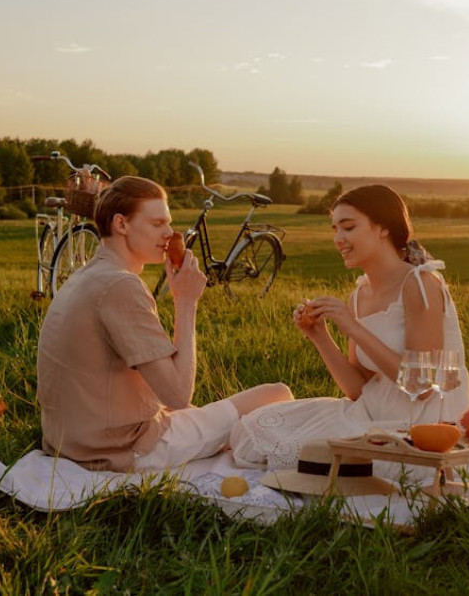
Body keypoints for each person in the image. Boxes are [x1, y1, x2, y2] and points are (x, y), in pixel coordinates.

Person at [230, 185, 469, 483]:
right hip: (370, 412)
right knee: (254, 427)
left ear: (382, 227)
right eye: (335, 229)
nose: (338, 239)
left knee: (303, 453)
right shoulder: (360, 295)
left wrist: (352, 326)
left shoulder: (421, 284)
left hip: (424, 426)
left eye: (348, 227)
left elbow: (421, 386)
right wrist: (319, 335)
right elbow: (358, 390)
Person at [37, 176, 293, 473]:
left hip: (70, 441)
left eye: (168, 223)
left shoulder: (88, 276)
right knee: (277, 393)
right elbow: (178, 396)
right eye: (157, 224)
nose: (170, 233)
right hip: (124, 449)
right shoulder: (121, 286)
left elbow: (153, 390)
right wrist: (186, 302)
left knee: (220, 416)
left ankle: (227, 437)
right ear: (122, 225)